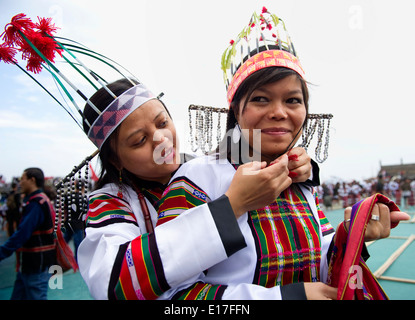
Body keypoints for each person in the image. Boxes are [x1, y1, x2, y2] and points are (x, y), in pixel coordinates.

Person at [156, 7, 409, 300]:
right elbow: (172, 295)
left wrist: (352, 234)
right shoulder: (197, 178)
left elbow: (320, 262)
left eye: (292, 100)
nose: (279, 112)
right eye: (261, 99)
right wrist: (285, 297)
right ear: (236, 110)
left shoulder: (299, 176)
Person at [77, 78, 316, 299]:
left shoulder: (206, 170)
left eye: (163, 123)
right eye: (139, 140)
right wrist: (231, 207)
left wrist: (302, 169)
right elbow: (114, 280)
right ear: (116, 160)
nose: (161, 139)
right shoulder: (112, 201)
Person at [0, 168, 56, 300]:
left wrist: (2, 252)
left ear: (32, 180)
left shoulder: (37, 204)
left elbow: (22, 233)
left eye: (22, 179)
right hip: (31, 264)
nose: (20, 182)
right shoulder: (38, 201)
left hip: (35, 265)